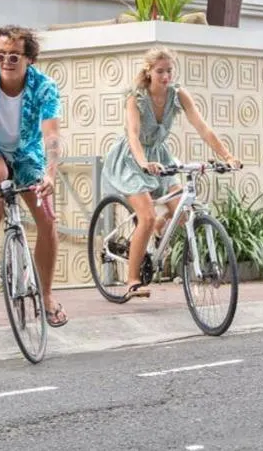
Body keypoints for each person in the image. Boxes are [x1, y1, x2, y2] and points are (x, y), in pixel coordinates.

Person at [100, 47, 241, 298]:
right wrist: (144, 163)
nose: (166, 76)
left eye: (169, 71)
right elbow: (132, 135)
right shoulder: (136, 97)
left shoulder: (178, 95)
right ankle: (132, 280)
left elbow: (202, 127)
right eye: (160, 71)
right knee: (146, 217)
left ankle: (158, 224)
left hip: (161, 158)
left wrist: (227, 156)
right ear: (149, 71)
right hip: (132, 160)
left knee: (183, 212)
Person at [0, 24, 68, 327]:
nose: (6, 61)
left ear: (29, 58)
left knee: (47, 219)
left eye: (14, 56)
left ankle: (45, 296)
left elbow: (52, 136)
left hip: (27, 151)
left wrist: (49, 174)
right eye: (0, 55)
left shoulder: (44, 87)